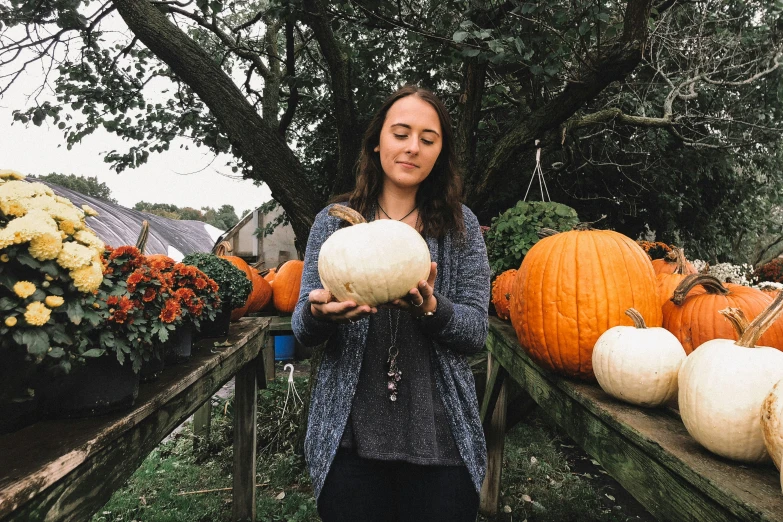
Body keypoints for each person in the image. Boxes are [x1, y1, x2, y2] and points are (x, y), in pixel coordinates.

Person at [292, 84, 490, 522]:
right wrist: (319, 314)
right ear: (377, 141)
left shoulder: (460, 226)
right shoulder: (334, 223)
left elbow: (477, 332)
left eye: (428, 138)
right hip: (349, 440)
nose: (412, 147)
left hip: (441, 438)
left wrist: (434, 310)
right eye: (401, 133)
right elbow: (303, 328)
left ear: (440, 151)